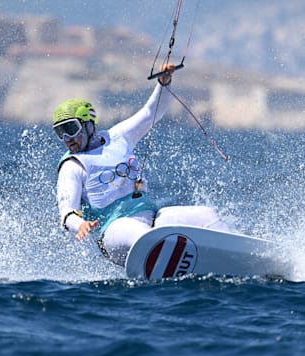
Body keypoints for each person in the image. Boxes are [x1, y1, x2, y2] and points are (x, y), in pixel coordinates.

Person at [54, 64, 230, 266]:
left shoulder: (118, 137)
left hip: (152, 220)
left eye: (70, 128)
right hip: (113, 232)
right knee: (146, 237)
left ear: (88, 124)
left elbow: (150, 113)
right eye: (60, 133)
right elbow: (66, 212)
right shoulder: (72, 166)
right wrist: (80, 225)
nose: (67, 138)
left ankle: (251, 258)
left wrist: (164, 83)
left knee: (206, 215)